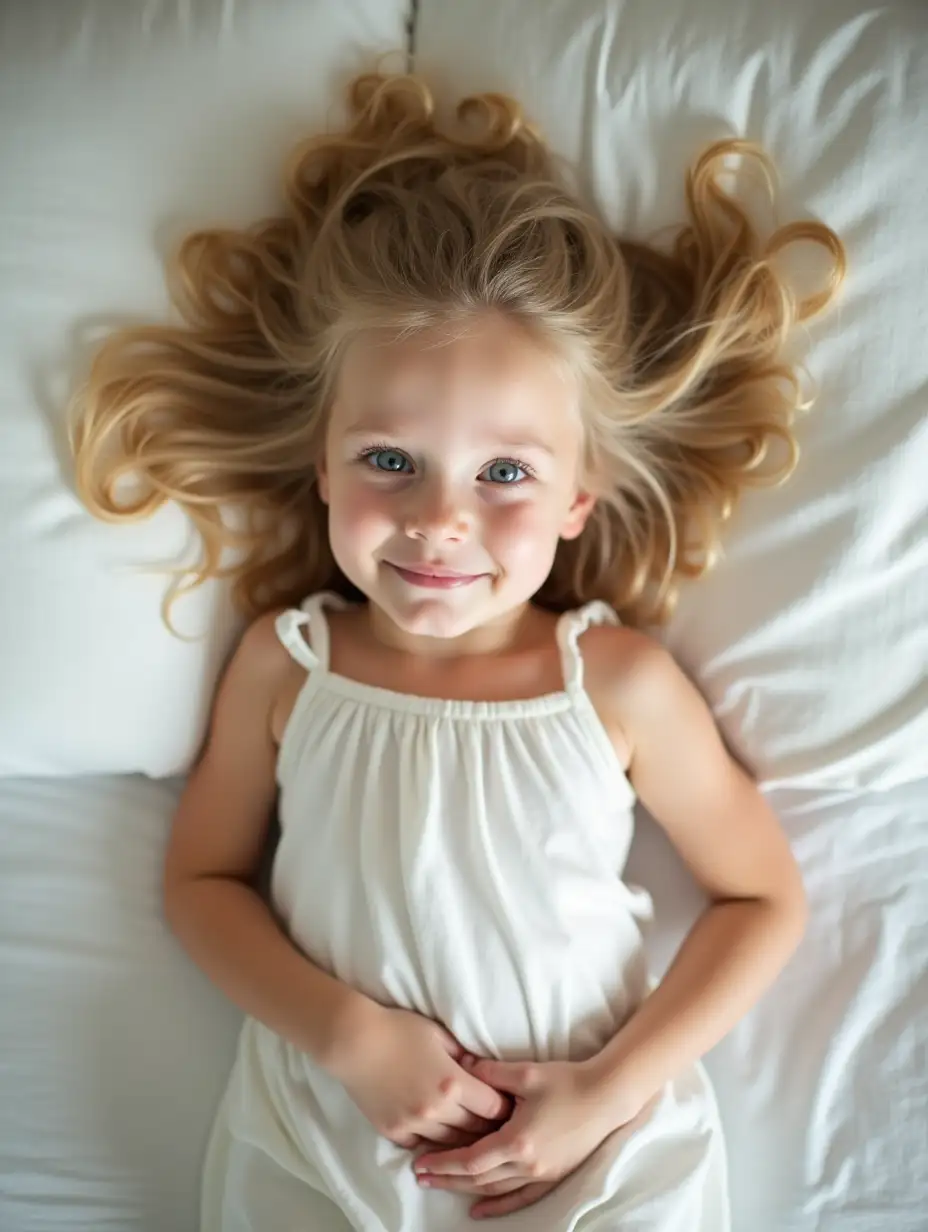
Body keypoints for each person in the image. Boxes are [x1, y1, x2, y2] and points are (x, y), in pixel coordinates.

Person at [71, 73, 844, 1231]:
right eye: (389, 460)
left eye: (503, 474)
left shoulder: (615, 680)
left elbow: (761, 895)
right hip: (330, 1124)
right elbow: (200, 882)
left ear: (578, 496)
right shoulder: (290, 664)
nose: (440, 519)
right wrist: (347, 1033)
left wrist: (610, 1089)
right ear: (321, 466)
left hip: (592, 1141)